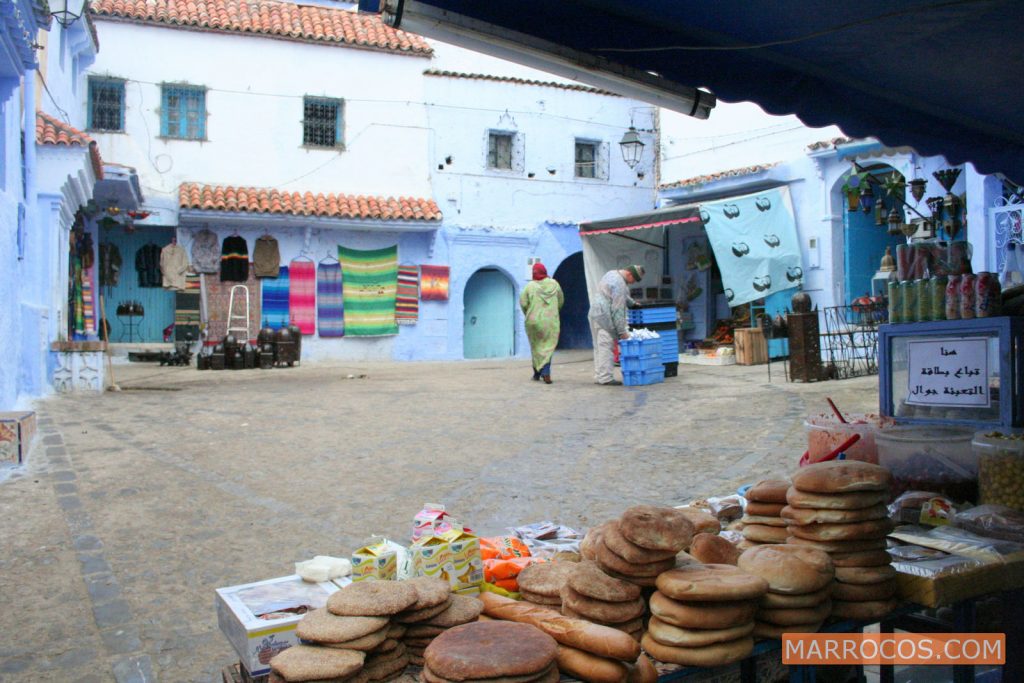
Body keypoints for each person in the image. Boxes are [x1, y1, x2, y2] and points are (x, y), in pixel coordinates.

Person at [588, 265, 644, 385]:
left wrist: (632, 303)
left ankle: (599, 375)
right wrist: (622, 332)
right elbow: (617, 310)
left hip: (594, 313)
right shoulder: (620, 284)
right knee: (606, 347)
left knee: (598, 347)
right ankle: (606, 378)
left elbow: (617, 294)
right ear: (629, 274)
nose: (634, 282)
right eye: (635, 279)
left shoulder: (611, 273)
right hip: (605, 317)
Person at [520, 263, 564, 384]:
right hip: (551, 321)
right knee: (548, 347)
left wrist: (529, 313)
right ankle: (545, 371)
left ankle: (536, 373)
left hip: (533, 320)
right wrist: (554, 311)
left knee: (536, 346)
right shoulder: (554, 284)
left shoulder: (530, 286)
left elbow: (523, 303)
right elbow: (561, 300)